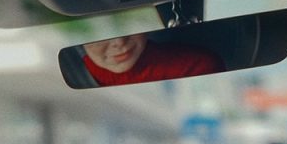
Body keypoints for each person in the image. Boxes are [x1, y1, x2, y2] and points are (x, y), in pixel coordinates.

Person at [81, 34, 225, 86]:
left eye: (130, 23)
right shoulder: (72, 74)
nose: (119, 41)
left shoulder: (196, 65)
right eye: (98, 33)